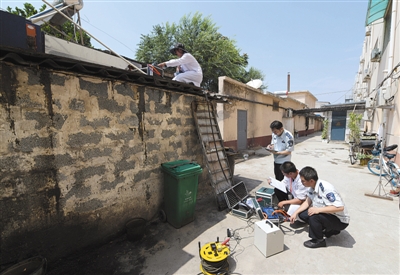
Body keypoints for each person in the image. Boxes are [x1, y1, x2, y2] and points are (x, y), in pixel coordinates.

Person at [289, 166, 350, 249]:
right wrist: (295, 213)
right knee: (302, 214)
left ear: (311, 181)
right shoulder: (312, 187)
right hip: (329, 215)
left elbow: (339, 208)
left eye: (303, 181)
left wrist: (317, 210)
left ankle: (318, 240)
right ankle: (328, 230)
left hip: (340, 220)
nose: (301, 182)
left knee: (313, 216)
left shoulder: (326, 189)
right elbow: (307, 202)